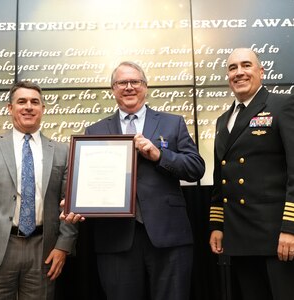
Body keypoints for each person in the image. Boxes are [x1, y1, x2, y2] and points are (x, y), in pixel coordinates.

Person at [61, 61, 205, 300]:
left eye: (135, 82)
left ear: (145, 87)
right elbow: (87, 182)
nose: (129, 87)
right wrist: (75, 204)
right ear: (113, 89)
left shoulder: (172, 123)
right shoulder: (94, 131)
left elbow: (196, 168)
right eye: (121, 83)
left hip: (168, 235)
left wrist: (159, 155)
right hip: (115, 239)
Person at [209, 48, 294, 300]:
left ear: (261, 71)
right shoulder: (222, 120)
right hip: (240, 236)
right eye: (232, 68)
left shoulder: (284, 105)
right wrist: (218, 224)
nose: (239, 72)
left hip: (278, 236)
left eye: (246, 65)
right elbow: (221, 177)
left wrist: (293, 227)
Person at [0, 80, 79, 300]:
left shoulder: (62, 151)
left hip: (43, 251)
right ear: (10, 108)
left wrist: (63, 246)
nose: (28, 106)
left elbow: (69, 203)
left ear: (43, 108)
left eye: (35, 102)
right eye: (21, 101)